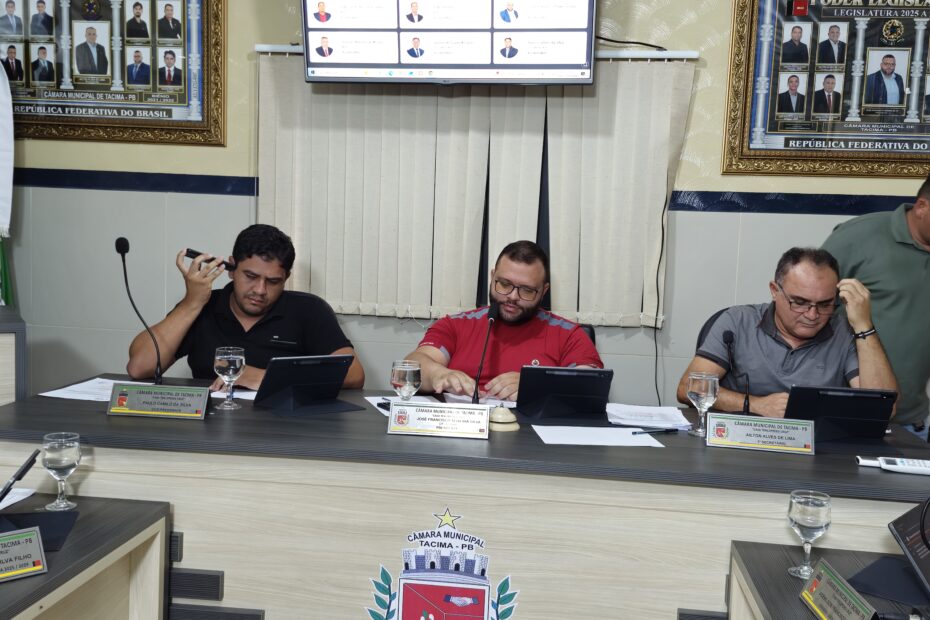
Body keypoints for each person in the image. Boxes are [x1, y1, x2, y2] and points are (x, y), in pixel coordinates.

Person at [126, 224, 365, 391]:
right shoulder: (201, 305)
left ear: (286, 278)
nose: (260, 290)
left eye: (273, 281)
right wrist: (191, 303)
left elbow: (354, 375)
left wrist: (268, 377)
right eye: (250, 276)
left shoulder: (308, 309)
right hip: (210, 426)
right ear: (231, 268)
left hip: (284, 429)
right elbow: (139, 368)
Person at [676, 247, 898, 418]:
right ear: (775, 291)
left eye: (825, 304)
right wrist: (756, 405)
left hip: (819, 448)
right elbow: (689, 389)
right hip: (740, 440)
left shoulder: (846, 331)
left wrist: (864, 325)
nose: (812, 315)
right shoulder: (738, 321)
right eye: (799, 302)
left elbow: (883, 409)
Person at [404, 241, 602, 401]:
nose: (512, 297)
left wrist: (536, 386)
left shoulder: (568, 334)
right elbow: (412, 366)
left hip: (531, 434)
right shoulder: (455, 325)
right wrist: (438, 374)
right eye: (505, 284)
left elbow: (592, 386)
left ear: (544, 291)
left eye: (526, 290)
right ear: (493, 277)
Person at [823, 177, 930, 437]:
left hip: (910, 422)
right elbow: (810, 304)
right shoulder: (859, 235)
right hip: (840, 418)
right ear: (922, 207)